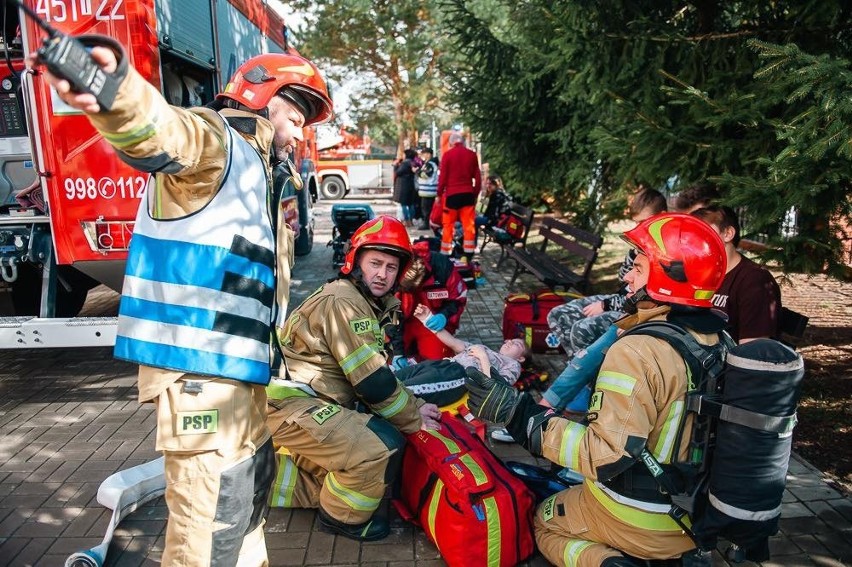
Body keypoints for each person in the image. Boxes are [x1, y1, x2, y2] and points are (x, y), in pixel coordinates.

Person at [33, 41, 334, 566]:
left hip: (235, 377)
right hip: (201, 376)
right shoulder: (217, 141)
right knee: (207, 531)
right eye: (299, 116)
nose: (301, 132)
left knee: (241, 507)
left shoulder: (257, 172)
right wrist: (110, 88)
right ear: (268, 99)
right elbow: (159, 131)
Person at [464, 213, 728, 566]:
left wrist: (517, 413)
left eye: (639, 267)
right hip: (694, 513)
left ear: (669, 277)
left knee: (544, 522)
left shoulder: (638, 351)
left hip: (637, 515)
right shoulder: (721, 341)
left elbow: (605, 455)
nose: (628, 276)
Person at [265, 216, 441, 542]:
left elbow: (374, 371)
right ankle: (341, 518)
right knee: (382, 446)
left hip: (307, 399)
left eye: (391, 267)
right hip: (292, 403)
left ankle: (270, 478)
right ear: (356, 261)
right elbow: (373, 384)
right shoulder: (345, 301)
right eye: (375, 263)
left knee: (362, 467)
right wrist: (415, 420)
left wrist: (415, 406)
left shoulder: (363, 300)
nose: (382, 274)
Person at [547, 188, 667, 358]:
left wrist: (605, 305)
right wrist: (634, 254)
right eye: (636, 222)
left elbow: (645, 301)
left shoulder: (666, 252)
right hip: (619, 299)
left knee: (580, 330)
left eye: (644, 221)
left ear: (662, 216)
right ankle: (578, 368)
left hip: (631, 310)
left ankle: (584, 374)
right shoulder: (641, 243)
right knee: (557, 314)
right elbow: (623, 278)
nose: (639, 227)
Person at [692, 205, 782, 343]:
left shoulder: (754, 280)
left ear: (728, 234)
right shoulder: (695, 273)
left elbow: (752, 351)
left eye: (704, 231)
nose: (694, 240)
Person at [390, 240, 468, 363]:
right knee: (389, 360)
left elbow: (458, 298)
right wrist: (397, 353)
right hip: (403, 323)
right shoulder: (392, 271)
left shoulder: (442, 267)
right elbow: (391, 318)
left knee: (439, 363)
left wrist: (444, 315)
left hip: (432, 322)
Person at [437, 132, 482, 260]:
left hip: (451, 196)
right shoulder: (471, 155)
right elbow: (478, 179)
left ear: (451, 143)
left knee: (448, 225)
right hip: (467, 195)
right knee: (468, 226)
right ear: (463, 142)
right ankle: (468, 253)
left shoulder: (447, 155)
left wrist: (439, 194)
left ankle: (446, 253)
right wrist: (474, 194)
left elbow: (443, 178)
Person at [393, 149, 419, 227]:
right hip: (411, 185)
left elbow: (398, 172)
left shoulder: (405, 163)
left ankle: (407, 220)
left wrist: (395, 166)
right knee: (411, 204)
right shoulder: (413, 163)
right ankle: (411, 219)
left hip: (404, 186)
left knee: (404, 204)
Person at [416, 147, 440, 230]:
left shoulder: (430, 164)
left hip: (428, 191)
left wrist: (418, 172)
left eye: (424, 154)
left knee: (426, 209)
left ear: (429, 154)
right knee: (426, 208)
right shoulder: (429, 163)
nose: (423, 156)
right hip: (427, 191)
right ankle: (427, 223)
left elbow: (425, 175)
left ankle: (426, 224)